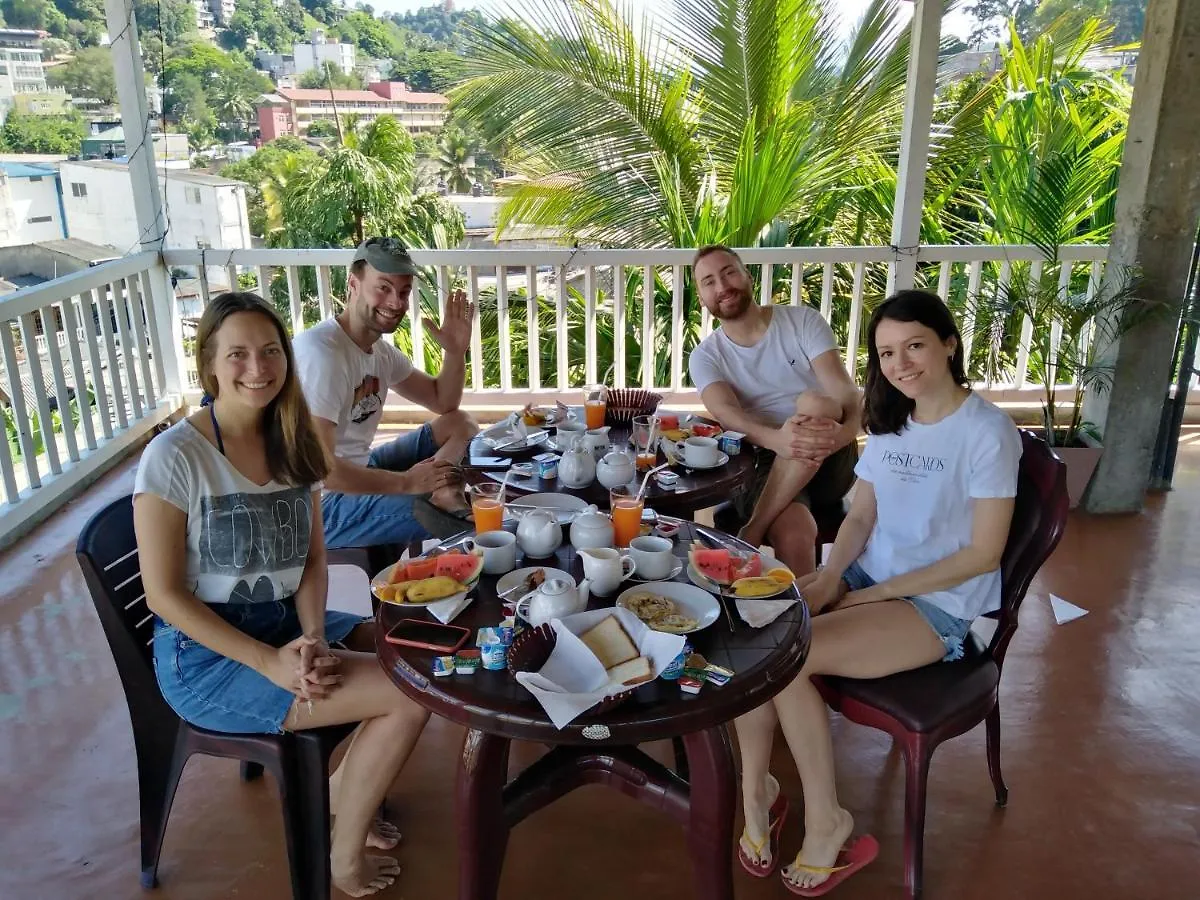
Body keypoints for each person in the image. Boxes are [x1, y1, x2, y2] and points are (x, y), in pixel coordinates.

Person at [134, 292, 431, 897]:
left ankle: (343, 789)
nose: (258, 367)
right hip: (207, 656)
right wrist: (271, 660)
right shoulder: (175, 458)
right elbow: (163, 595)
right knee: (411, 692)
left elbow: (312, 556)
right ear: (210, 364)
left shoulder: (290, 439)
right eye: (237, 353)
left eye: (270, 351)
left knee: (420, 646)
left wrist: (313, 637)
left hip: (284, 624)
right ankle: (342, 857)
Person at [733, 290, 1022, 895]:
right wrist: (832, 577)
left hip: (936, 606)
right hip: (869, 581)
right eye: (887, 352)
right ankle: (756, 791)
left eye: (915, 345)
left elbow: (983, 554)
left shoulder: (987, 433)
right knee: (750, 635)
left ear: (948, 342)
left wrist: (867, 595)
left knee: (791, 658)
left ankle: (827, 820)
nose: (901, 363)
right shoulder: (892, 418)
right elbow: (860, 518)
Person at [293, 236, 479, 551]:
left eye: (404, 292)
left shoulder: (378, 352)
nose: (396, 303)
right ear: (353, 283)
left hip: (361, 467)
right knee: (440, 511)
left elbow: (443, 402)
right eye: (383, 288)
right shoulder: (323, 353)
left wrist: (455, 352)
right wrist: (407, 483)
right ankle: (437, 497)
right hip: (316, 505)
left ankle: (440, 490)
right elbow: (321, 469)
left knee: (460, 423)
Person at [687, 245, 861, 575]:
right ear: (702, 298)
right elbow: (727, 414)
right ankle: (810, 622)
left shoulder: (802, 321)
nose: (722, 286)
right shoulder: (707, 356)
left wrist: (847, 431)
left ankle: (750, 531)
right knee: (795, 532)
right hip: (761, 459)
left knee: (816, 405)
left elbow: (843, 390)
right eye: (709, 282)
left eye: (729, 273)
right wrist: (778, 441)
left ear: (747, 276)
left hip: (830, 452)